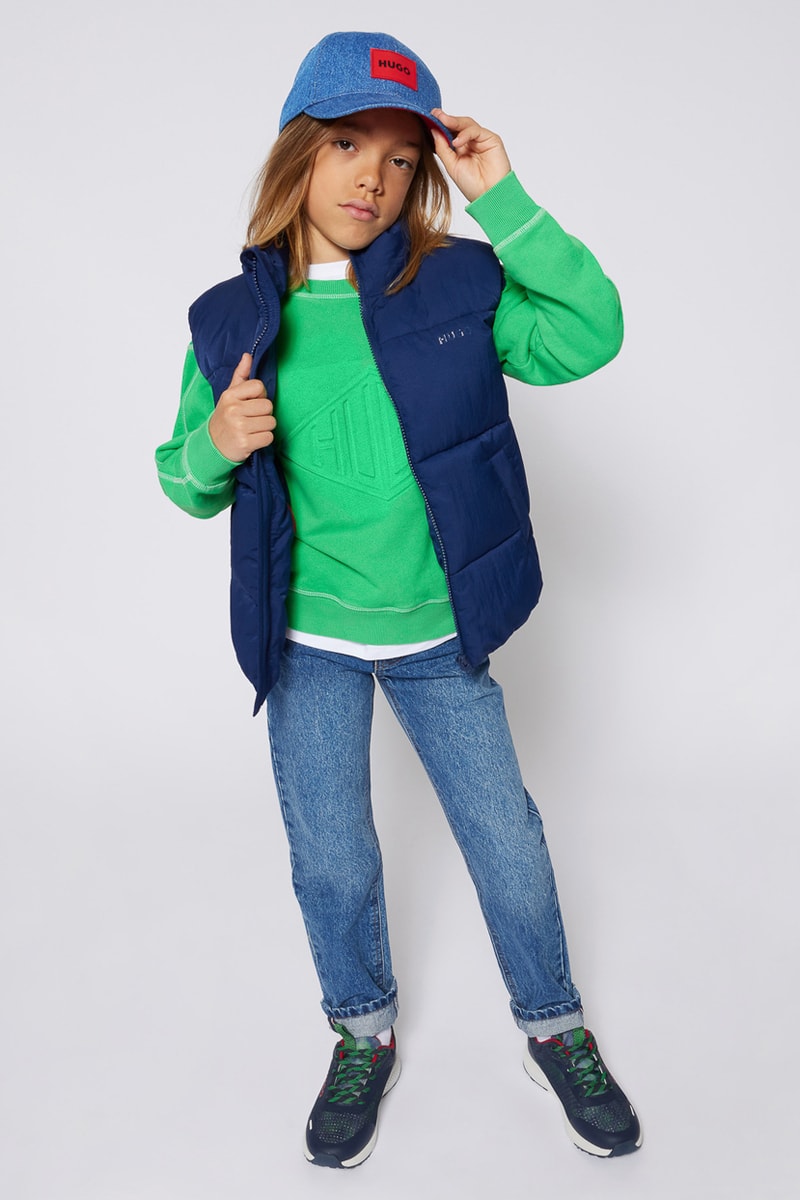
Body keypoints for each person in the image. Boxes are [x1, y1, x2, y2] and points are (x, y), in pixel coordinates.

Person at [155, 30, 641, 1168]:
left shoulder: (458, 284)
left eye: (400, 157)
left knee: (506, 842)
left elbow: (591, 334)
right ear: (296, 154)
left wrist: (501, 196)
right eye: (345, 146)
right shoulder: (230, 320)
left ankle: (553, 1026)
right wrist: (216, 444)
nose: (372, 176)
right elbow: (182, 477)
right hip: (306, 643)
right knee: (331, 859)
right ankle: (360, 1030)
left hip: (436, 636)